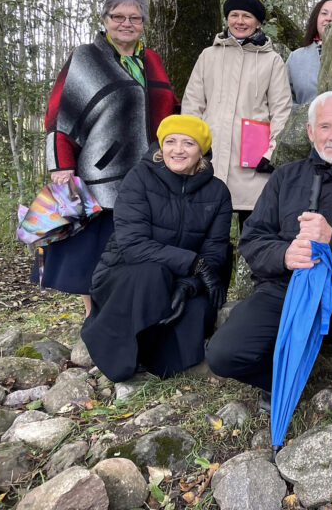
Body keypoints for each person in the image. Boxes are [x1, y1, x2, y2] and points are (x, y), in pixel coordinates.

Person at [206, 91, 332, 412]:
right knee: (223, 354)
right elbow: (253, 239)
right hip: (285, 292)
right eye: (324, 126)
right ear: (310, 132)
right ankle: (278, 380)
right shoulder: (285, 178)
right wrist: (285, 255)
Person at [42, 0, 178, 315]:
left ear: (144, 24)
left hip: (148, 172)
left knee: (132, 245)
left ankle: (123, 314)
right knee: (89, 250)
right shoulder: (87, 57)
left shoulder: (153, 60)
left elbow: (170, 108)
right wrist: (61, 164)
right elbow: (59, 112)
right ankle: (92, 317)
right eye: (118, 16)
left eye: (135, 18)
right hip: (97, 173)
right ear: (105, 21)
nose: (126, 23)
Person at [80, 115, 232, 382]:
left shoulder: (218, 192)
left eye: (188, 143)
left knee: (194, 313)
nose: (178, 150)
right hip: (128, 274)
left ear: (202, 151)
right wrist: (195, 264)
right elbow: (134, 246)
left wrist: (189, 284)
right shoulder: (139, 178)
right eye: (170, 141)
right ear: (161, 147)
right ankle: (109, 347)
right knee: (153, 276)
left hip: (181, 278)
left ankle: (152, 356)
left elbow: (216, 251)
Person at [182, 0, 292, 226]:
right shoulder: (208, 56)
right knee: (208, 237)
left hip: (253, 165)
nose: (240, 21)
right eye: (234, 15)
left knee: (253, 235)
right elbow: (192, 106)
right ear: (227, 19)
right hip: (209, 160)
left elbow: (281, 112)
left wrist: (271, 153)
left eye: (247, 16)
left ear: (258, 23)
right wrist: (190, 148)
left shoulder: (272, 61)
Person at [286, 0, 332, 105]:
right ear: (316, 18)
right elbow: (286, 102)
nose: (329, 18)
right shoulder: (296, 58)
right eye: (324, 13)